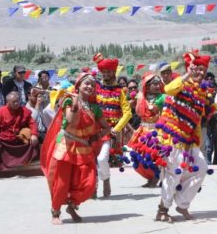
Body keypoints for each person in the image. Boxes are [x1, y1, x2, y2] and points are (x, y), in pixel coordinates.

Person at [140, 50, 214, 222]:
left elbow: (196, 119)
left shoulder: (202, 92)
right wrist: (187, 75)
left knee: (201, 168)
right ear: (190, 68)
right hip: (171, 139)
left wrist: (195, 141)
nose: (200, 73)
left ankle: (182, 204)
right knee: (173, 174)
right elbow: (168, 89)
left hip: (189, 141)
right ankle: (163, 210)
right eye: (197, 69)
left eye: (203, 70)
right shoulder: (180, 83)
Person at [40, 73, 111, 225]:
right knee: (62, 182)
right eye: (86, 84)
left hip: (84, 147)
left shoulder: (95, 107)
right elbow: (71, 122)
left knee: (89, 183)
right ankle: (55, 212)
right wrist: (74, 106)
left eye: (92, 85)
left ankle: (72, 206)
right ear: (78, 86)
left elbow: (107, 128)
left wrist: (96, 137)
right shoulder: (69, 100)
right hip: (67, 145)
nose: (89, 87)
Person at [93, 53, 132, 197]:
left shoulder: (120, 92)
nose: (107, 73)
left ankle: (106, 180)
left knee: (102, 158)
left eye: (109, 71)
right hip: (92, 130)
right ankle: (93, 185)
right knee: (91, 159)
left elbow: (127, 113)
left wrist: (117, 128)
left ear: (114, 72)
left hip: (109, 132)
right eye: (104, 71)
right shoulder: (95, 89)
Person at [0, 92, 39, 181]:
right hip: (4, 140)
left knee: (34, 142)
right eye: (14, 102)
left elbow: (32, 123)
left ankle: (35, 163)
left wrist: (34, 134)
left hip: (18, 139)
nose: (17, 103)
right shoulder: (0, 112)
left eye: (17, 101)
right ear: (8, 103)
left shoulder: (23, 111)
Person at [127, 72, 165, 187]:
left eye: (158, 83)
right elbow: (129, 106)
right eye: (154, 84)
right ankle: (150, 177)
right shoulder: (141, 97)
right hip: (143, 129)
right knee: (139, 156)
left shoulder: (162, 97)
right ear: (147, 86)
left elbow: (156, 110)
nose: (158, 86)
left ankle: (156, 177)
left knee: (154, 155)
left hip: (156, 131)